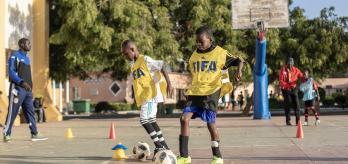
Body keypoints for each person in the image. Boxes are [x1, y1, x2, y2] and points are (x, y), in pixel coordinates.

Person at [177, 26, 244, 164]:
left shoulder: (221, 53)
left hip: (211, 92)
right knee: (184, 119)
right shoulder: (194, 55)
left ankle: (217, 156)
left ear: (210, 39)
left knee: (210, 124)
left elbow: (240, 60)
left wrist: (239, 71)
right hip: (195, 92)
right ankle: (184, 156)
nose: (198, 44)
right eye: (196, 41)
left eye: (201, 41)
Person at [121, 40, 173, 157]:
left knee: (144, 120)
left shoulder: (145, 60)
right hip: (145, 96)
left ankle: (159, 145)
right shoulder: (132, 65)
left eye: (126, 53)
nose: (125, 56)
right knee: (151, 120)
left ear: (133, 50)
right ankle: (164, 145)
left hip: (151, 94)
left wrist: (169, 83)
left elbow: (162, 65)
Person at [3, 38, 48, 142]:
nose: (30, 45)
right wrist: (22, 82)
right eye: (28, 43)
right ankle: (6, 133)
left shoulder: (27, 58)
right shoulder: (14, 56)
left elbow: (27, 74)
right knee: (13, 112)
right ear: (21, 44)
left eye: (30, 43)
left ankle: (34, 133)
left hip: (27, 90)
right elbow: (11, 72)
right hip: (18, 88)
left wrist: (30, 86)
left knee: (30, 112)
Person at [279, 57, 305, 126]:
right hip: (285, 89)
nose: (290, 65)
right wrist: (287, 86)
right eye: (288, 63)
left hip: (293, 89)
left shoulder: (296, 70)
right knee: (287, 104)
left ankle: (298, 121)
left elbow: (302, 78)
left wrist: (306, 77)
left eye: (291, 63)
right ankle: (288, 121)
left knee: (297, 105)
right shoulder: (283, 70)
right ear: (287, 63)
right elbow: (281, 81)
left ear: (293, 64)